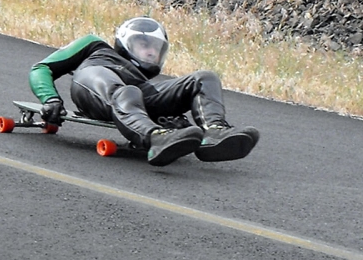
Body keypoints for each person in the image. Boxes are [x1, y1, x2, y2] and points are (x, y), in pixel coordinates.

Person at [29, 17, 259, 166]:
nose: (151, 52)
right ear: (125, 42)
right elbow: (42, 68)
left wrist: (172, 120)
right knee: (127, 92)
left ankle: (214, 132)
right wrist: (50, 98)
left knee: (205, 77)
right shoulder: (94, 45)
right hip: (93, 82)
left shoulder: (142, 81)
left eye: (156, 49)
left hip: (138, 93)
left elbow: (141, 93)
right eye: (144, 45)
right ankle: (155, 138)